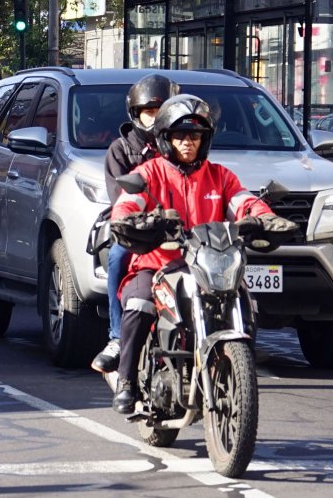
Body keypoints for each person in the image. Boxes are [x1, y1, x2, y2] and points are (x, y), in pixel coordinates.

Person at [108, 94, 294, 414]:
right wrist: (142, 220)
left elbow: (243, 201)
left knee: (244, 299)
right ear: (166, 138)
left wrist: (265, 217)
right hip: (157, 264)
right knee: (139, 303)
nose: (187, 142)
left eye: (195, 136)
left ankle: (237, 363)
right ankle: (126, 381)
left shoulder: (220, 176)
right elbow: (126, 205)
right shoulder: (149, 173)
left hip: (207, 263)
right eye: (180, 136)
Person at [90, 73, 173, 374]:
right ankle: (116, 337)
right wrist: (145, 219)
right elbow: (121, 199)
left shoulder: (181, 146)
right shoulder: (121, 149)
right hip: (137, 229)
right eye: (149, 112)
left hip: (178, 229)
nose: (155, 118)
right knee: (119, 255)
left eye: (161, 112)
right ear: (136, 114)